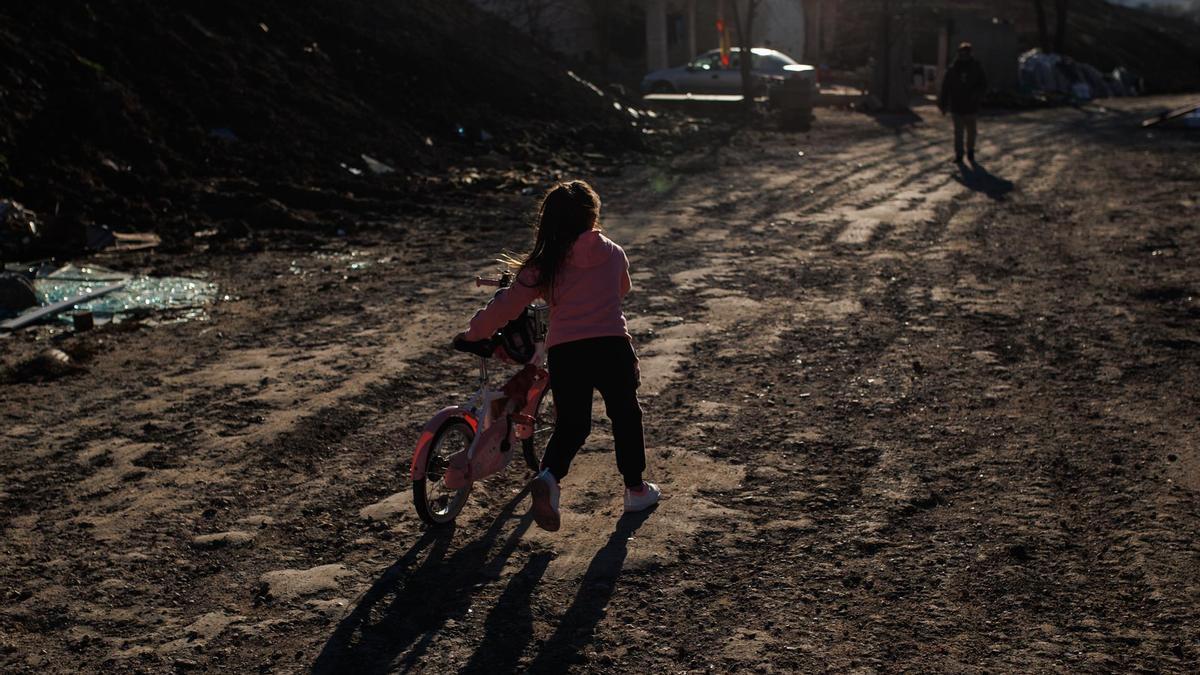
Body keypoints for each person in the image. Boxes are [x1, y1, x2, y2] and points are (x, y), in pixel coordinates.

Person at [456, 180, 661, 532]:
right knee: (625, 414)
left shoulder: (544, 264)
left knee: (573, 424)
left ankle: (549, 479)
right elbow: (622, 289)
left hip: (567, 351)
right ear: (593, 215)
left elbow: (504, 307)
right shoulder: (613, 252)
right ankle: (636, 489)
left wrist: (473, 334)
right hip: (612, 345)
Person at [938, 41, 988, 164]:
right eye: (962, 52)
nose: (964, 55)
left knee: (971, 132)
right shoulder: (953, 68)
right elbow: (946, 87)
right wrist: (943, 104)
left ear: (970, 53)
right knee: (958, 133)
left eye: (966, 53)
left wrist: (977, 95)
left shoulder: (976, 67)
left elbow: (983, 84)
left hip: (971, 106)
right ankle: (959, 154)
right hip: (957, 105)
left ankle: (970, 150)